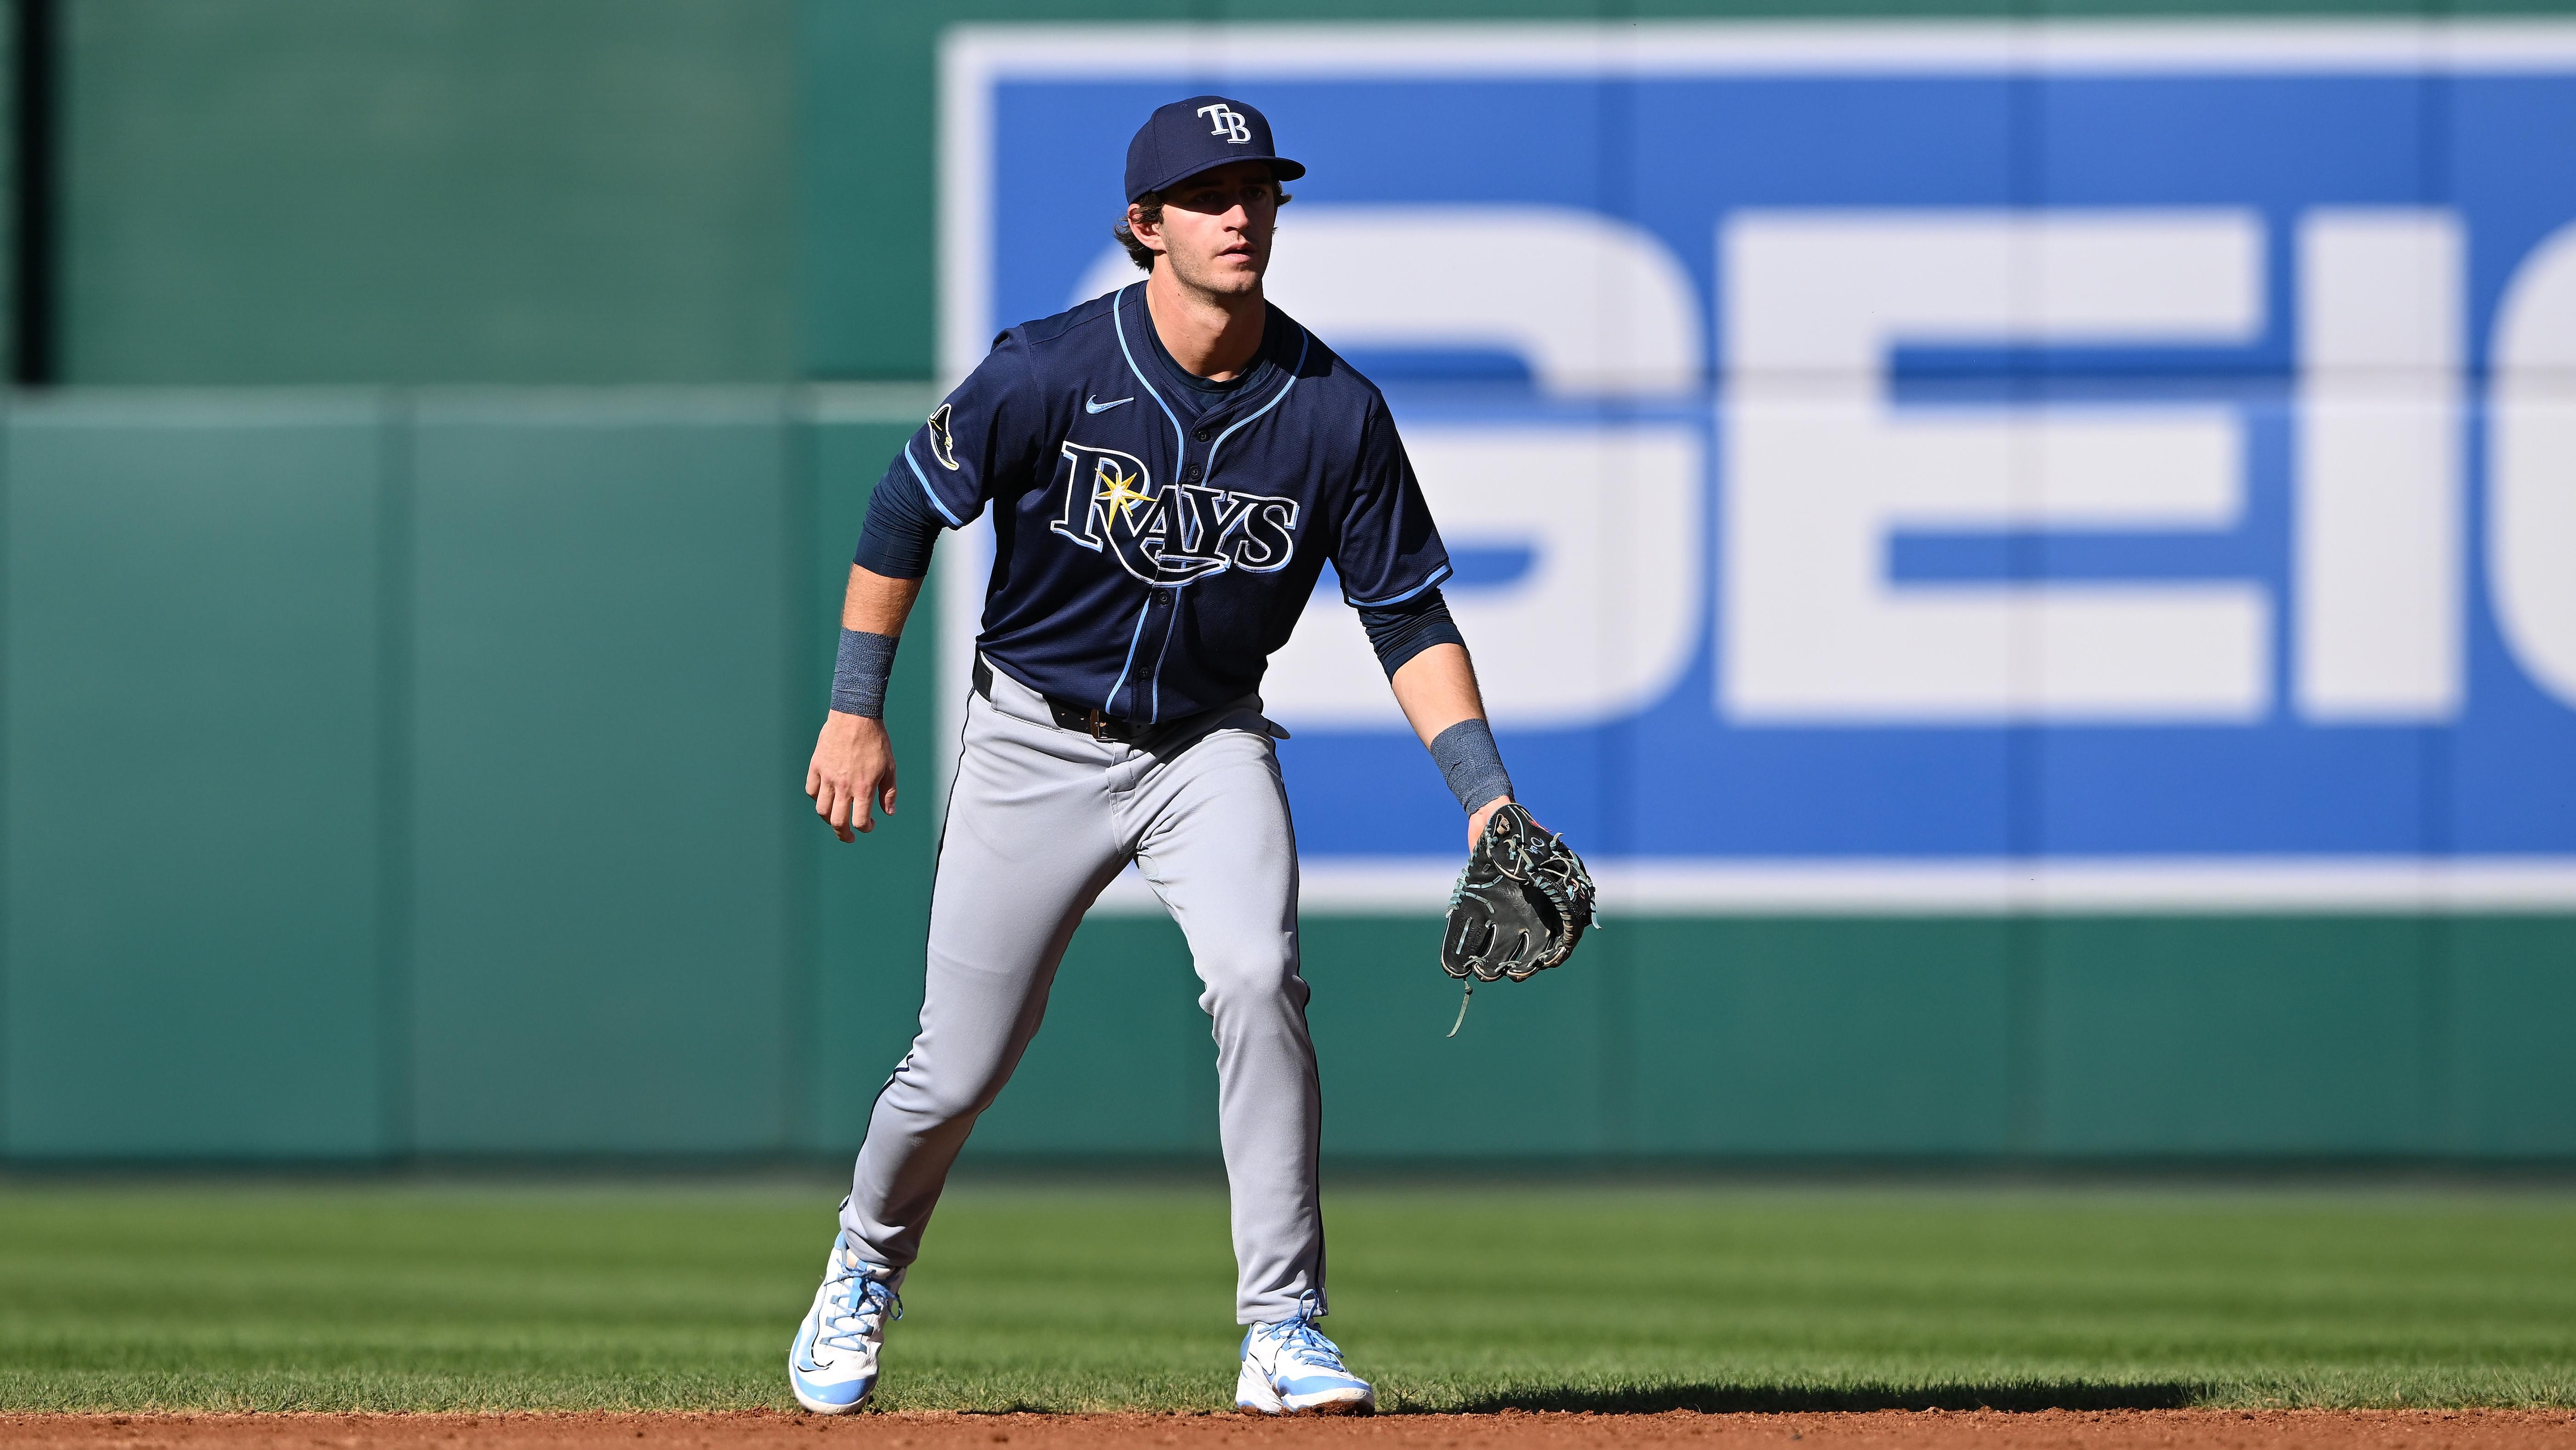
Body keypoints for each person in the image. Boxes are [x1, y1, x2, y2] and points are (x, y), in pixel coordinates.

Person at [789, 94, 1528, 1418]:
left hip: (1205, 744)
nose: (1242, 213)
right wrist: (856, 707)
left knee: (1257, 977)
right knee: (955, 1065)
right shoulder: (1048, 371)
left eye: (1259, 191)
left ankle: (1284, 1325)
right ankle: (864, 1258)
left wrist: (1486, 798)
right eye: (1210, 194)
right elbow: (905, 504)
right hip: (1034, 737)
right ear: (1147, 226)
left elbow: (1405, 611)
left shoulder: (1332, 411)